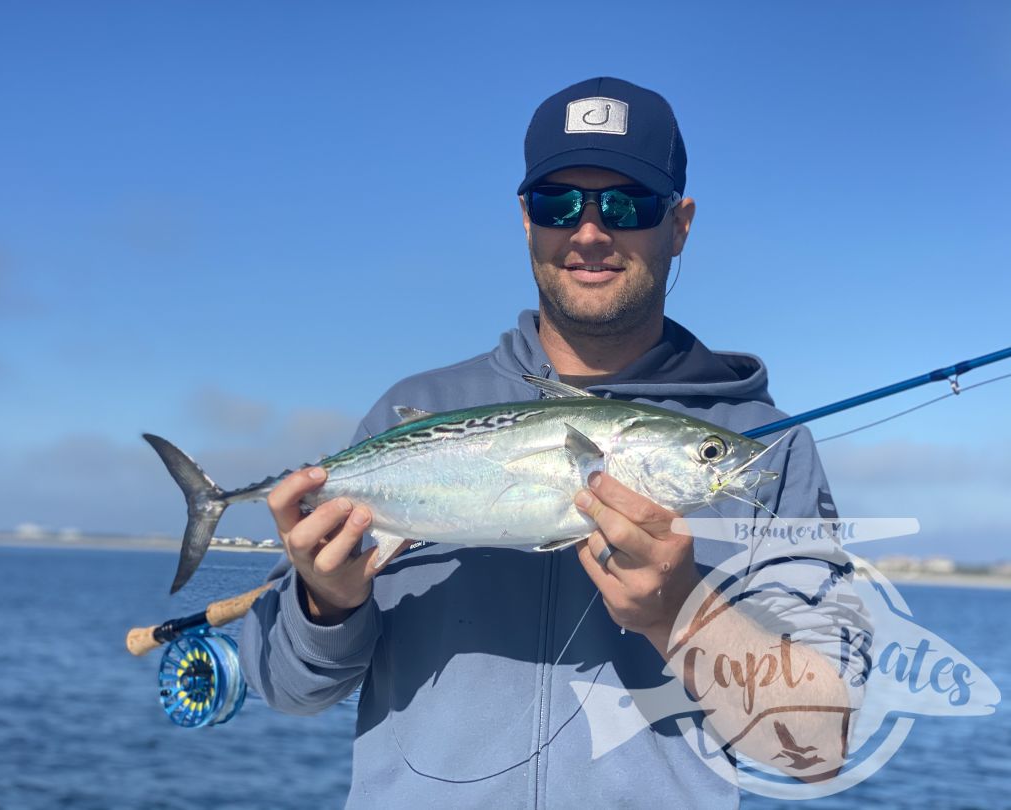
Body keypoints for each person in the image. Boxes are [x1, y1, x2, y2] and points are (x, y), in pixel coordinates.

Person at [240, 77, 866, 809]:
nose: (591, 231)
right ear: (525, 219)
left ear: (680, 223)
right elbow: (290, 691)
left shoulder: (762, 446)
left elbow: (821, 745)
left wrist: (680, 614)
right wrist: (327, 603)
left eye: (628, 203)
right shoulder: (411, 416)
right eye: (558, 202)